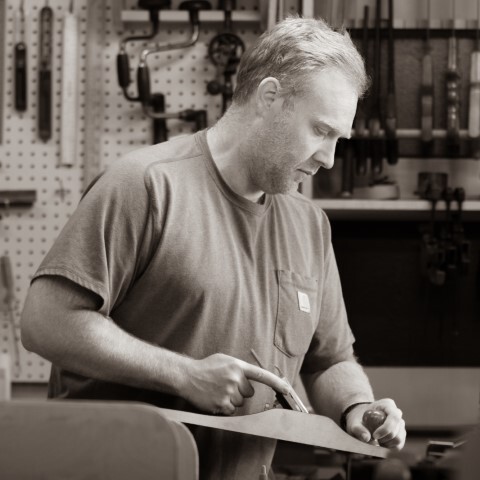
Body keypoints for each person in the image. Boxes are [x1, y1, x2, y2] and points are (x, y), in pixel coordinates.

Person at [21, 15, 406, 479]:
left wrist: (358, 410)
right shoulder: (146, 186)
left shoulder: (309, 225)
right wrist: (184, 375)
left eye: (338, 140)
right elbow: (46, 321)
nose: (328, 158)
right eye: (320, 131)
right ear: (269, 98)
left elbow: (330, 360)